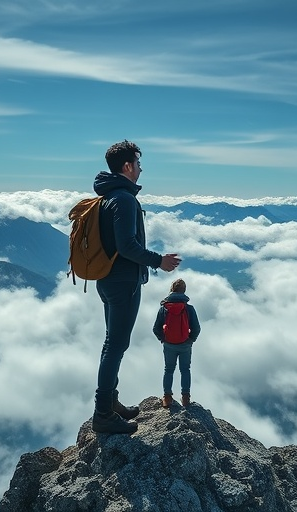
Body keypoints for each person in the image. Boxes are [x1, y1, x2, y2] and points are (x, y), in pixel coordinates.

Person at [91, 140, 181, 434]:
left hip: (106, 280)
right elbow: (126, 245)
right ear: (128, 166)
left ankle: (110, 401)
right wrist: (159, 261)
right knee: (115, 346)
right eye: (139, 164)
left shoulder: (108, 196)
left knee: (112, 343)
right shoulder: (125, 199)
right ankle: (103, 413)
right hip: (123, 282)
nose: (141, 169)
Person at [153, 278, 201, 408]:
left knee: (168, 370)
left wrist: (163, 339)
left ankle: (167, 398)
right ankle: (186, 398)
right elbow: (196, 328)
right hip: (185, 344)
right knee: (185, 370)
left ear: (171, 290)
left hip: (169, 345)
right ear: (184, 291)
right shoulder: (189, 309)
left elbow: (155, 328)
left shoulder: (164, 308)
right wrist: (190, 340)